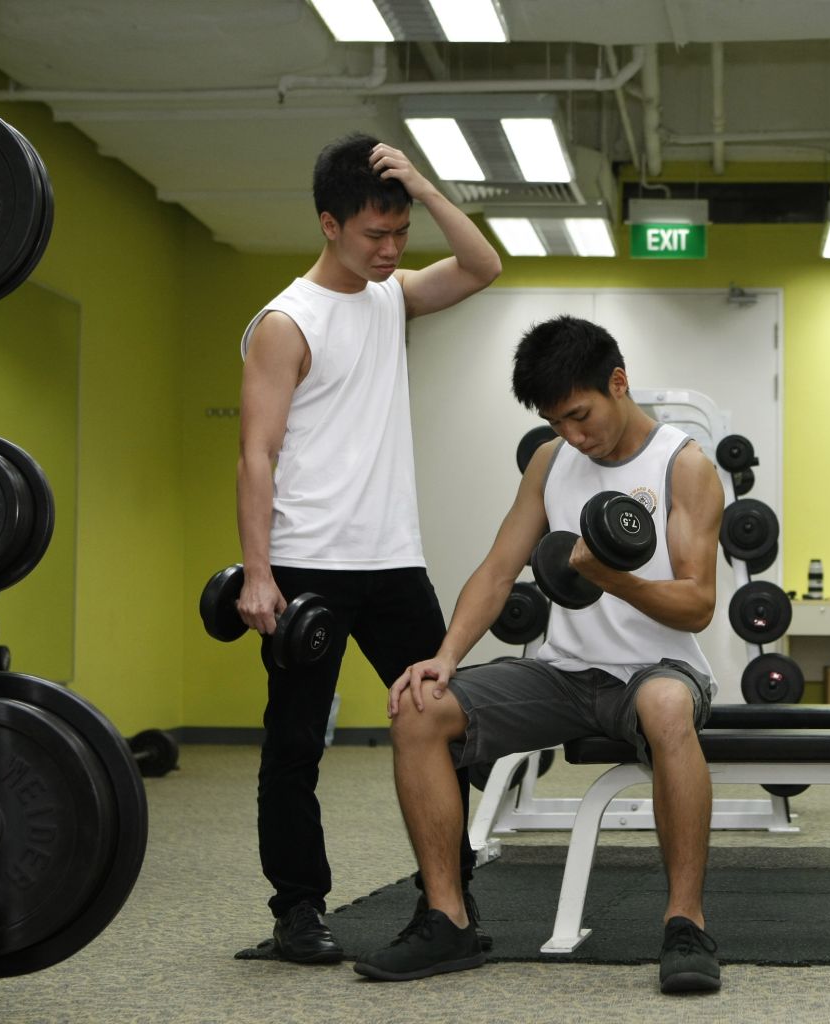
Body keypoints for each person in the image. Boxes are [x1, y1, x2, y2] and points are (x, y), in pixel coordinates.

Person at [352, 316, 725, 994]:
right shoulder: (551, 463)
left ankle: (686, 925)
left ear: (619, 382)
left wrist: (614, 578)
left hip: (657, 671)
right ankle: (448, 919)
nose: (575, 436)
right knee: (418, 708)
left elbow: (697, 603)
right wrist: (445, 655)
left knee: (667, 703)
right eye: (559, 423)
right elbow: (499, 570)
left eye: (581, 416)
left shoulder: (685, 468)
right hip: (565, 673)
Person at [237, 133, 501, 963]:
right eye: (372, 236)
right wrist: (257, 573)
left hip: (392, 561)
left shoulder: (391, 295)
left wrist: (424, 186)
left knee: (441, 724)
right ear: (328, 224)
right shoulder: (286, 323)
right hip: (309, 559)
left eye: (399, 234)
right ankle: (298, 909)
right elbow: (256, 452)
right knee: (295, 742)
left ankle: (448, 898)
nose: (390, 252)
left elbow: (483, 265)